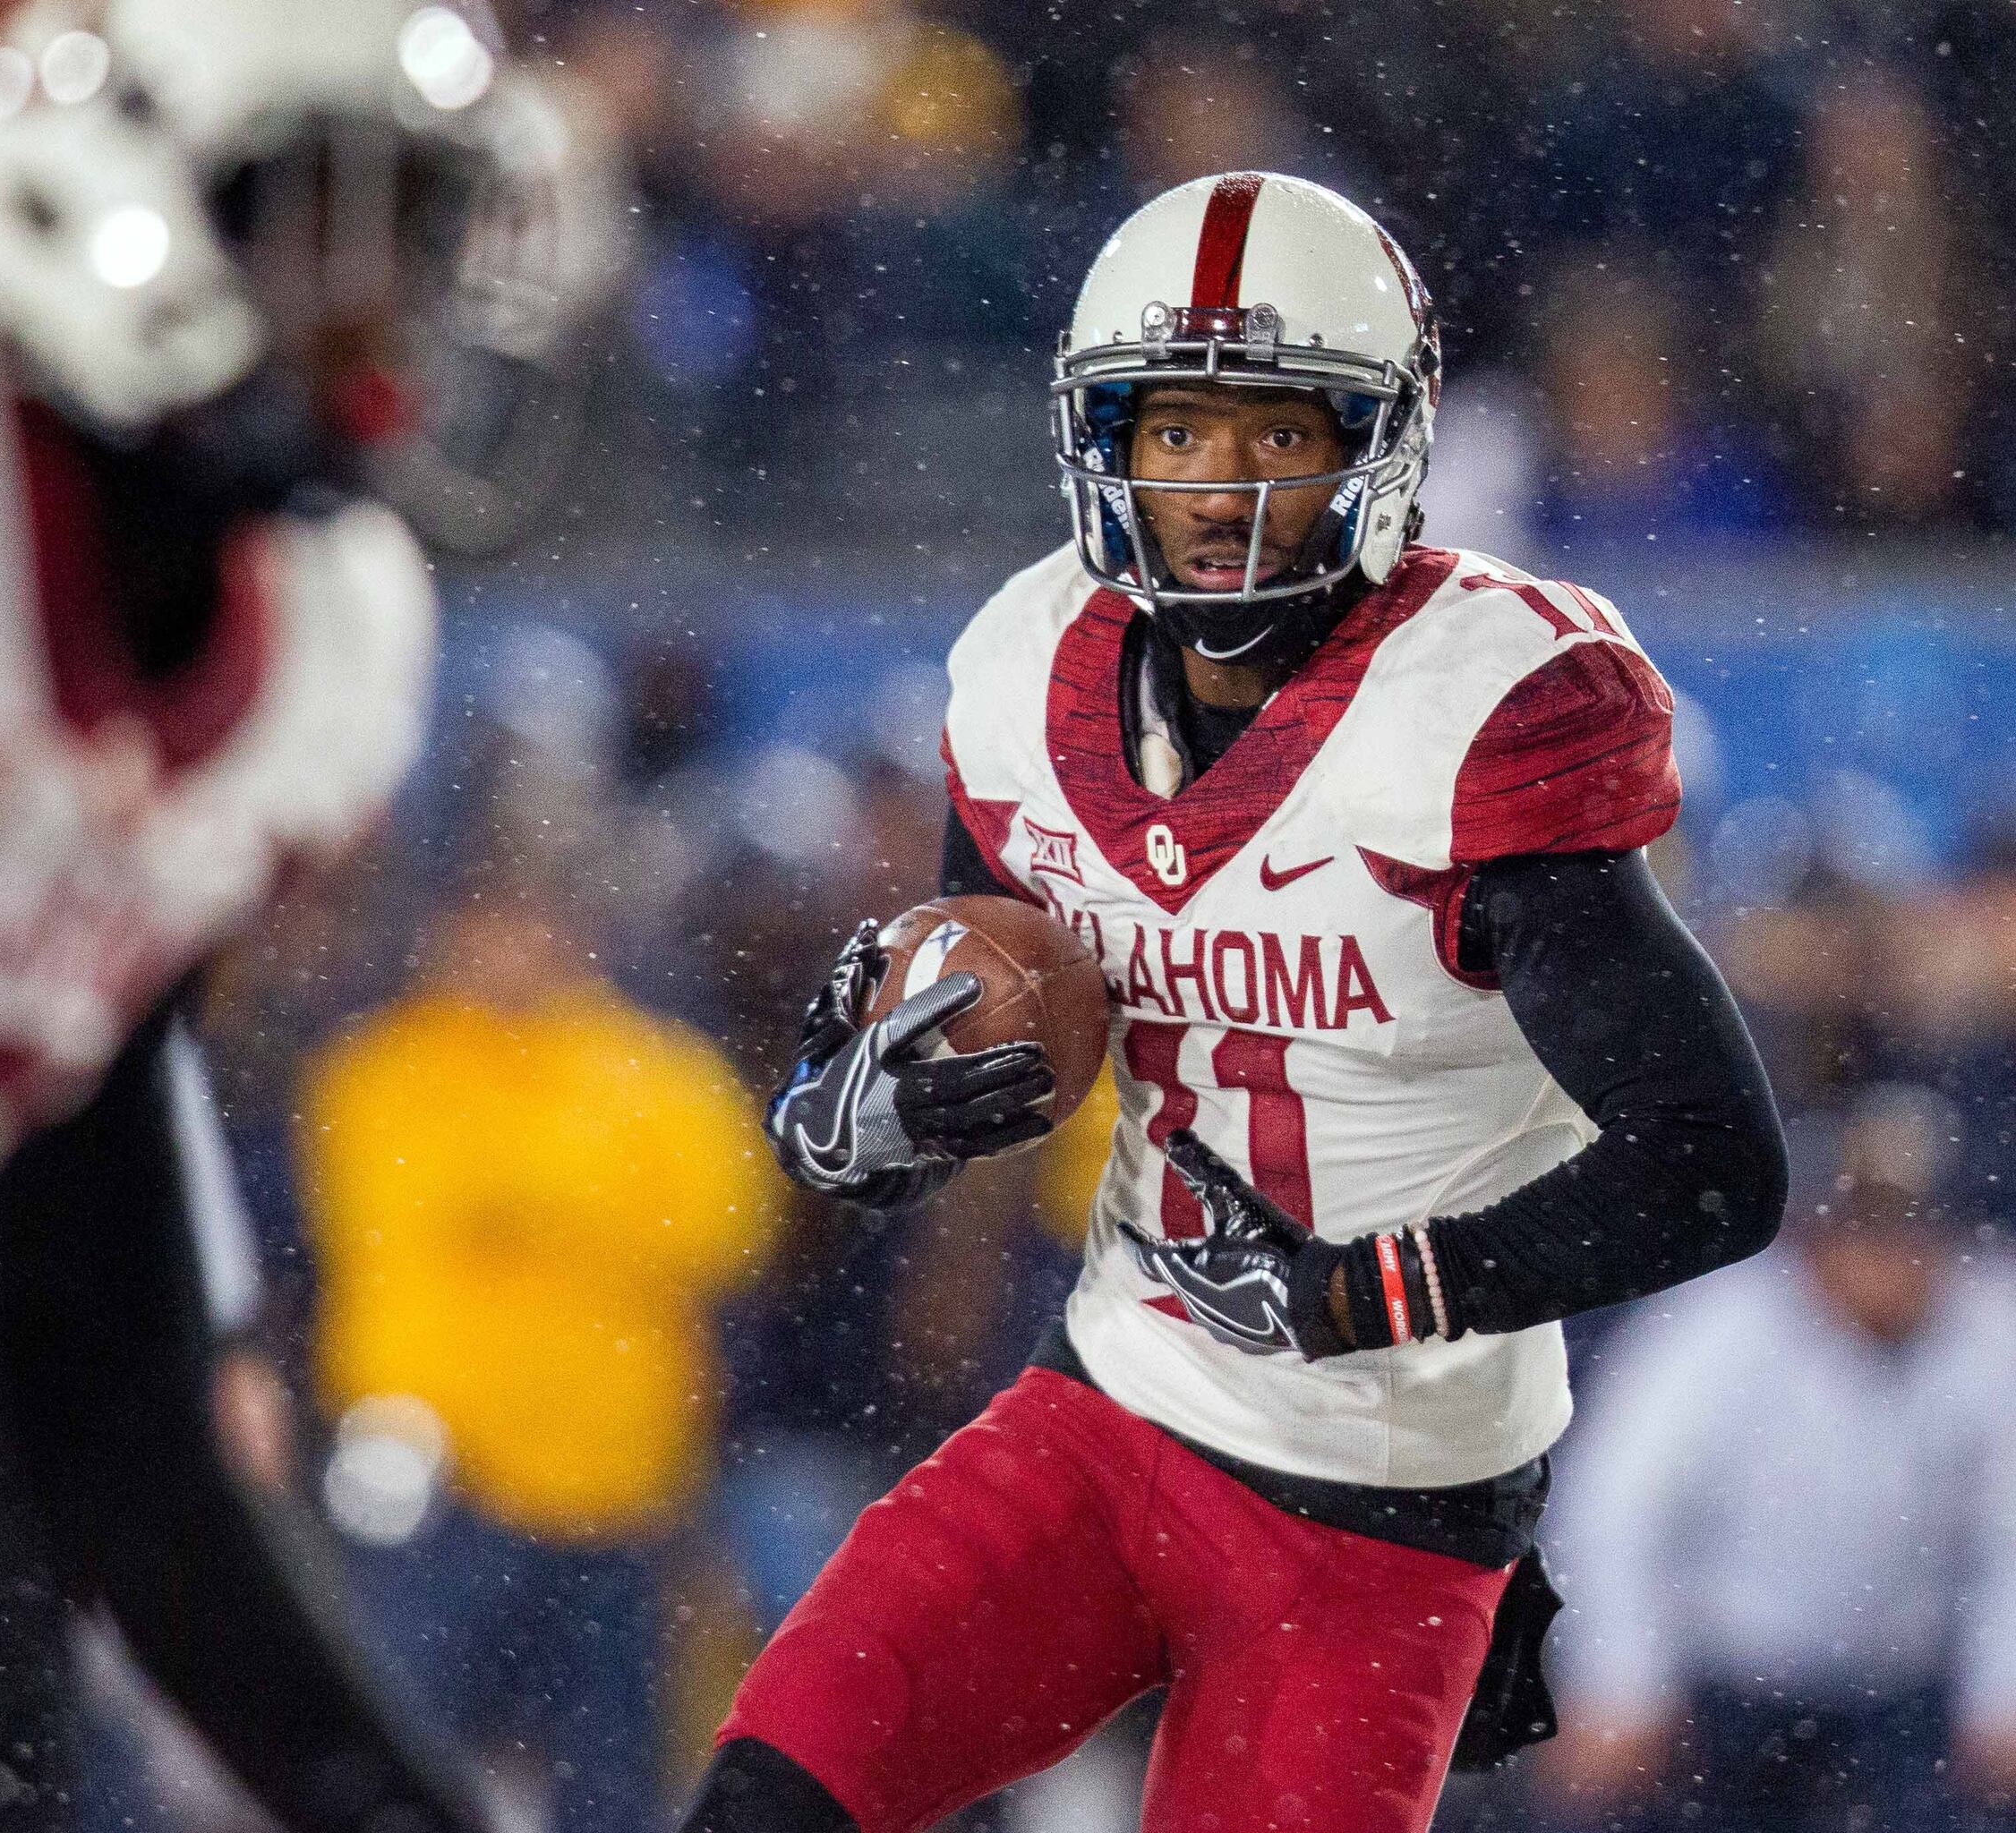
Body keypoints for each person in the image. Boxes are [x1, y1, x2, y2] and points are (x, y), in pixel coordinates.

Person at [688, 170, 1792, 1833]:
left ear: (1381, 445)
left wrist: (1379, 1289)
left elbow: (1713, 1159)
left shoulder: (1479, 710)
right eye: (1177, 430)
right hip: (1106, 1413)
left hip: (1387, 1511)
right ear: (1104, 441)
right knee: (767, 1802)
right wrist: (875, 1119)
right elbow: (997, 1018)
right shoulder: (1021, 663)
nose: (1222, 487)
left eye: (1282, 433)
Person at [0, 2, 589, 1829]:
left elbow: (111, 1407)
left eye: (414, 232)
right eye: (321, 213)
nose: (387, 307)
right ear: (70, 164)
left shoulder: (292, 661)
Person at [302, 891, 777, 1833]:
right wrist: (592, 1202)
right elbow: (381, 1202)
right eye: (485, 924)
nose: (507, 951)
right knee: (392, 1743)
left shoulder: (660, 1068)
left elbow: (734, 1227)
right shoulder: (382, 1063)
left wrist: (529, 1201)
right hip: (436, 1464)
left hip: (616, 1478)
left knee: (613, 1773)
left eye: (531, 923)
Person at [1535, 1091, 2016, 1833]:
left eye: (1912, 1231)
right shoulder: (1718, 1324)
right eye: (1864, 1231)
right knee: (1592, 1794)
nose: (1888, 1260)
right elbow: (1612, 1515)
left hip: (1916, 1697)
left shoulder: (2013, 1320)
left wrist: (2015, 1696)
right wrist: (1622, 1685)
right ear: (1816, 1235)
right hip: (1720, 1691)